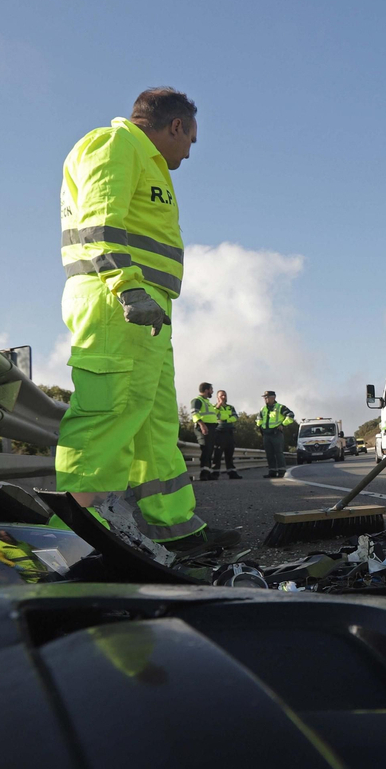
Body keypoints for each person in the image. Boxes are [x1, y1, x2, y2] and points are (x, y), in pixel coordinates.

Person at [53, 87, 236, 551]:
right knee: (107, 416)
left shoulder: (148, 163)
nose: (190, 152)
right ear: (175, 126)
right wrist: (127, 286)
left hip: (147, 307)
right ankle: (67, 542)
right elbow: (100, 222)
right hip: (116, 301)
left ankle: (175, 529)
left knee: (153, 423)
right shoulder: (114, 145)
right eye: (191, 139)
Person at [258, 390, 295, 478]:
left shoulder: (280, 407)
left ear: (273, 397)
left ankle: (281, 471)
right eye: (264, 398)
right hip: (266, 434)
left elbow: (291, 415)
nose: (265, 399)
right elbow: (258, 419)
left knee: (278, 452)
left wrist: (283, 424)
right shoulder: (263, 409)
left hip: (276, 433)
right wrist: (260, 427)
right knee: (269, 453)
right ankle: (272, 471)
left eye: (267, 397)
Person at [191, 381, 220, 480]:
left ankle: (208, 472)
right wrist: (202, 425)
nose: (212, 392)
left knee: (210, 449)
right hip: (203, 427)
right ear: (207, 390)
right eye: (211, 390)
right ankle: (204, 473)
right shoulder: (197, 400)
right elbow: (194, 414)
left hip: (211, 427)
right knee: (206, 449)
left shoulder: (207, 402)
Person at [213, 389, 240, 479]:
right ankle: (215, 473)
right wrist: (219, 406)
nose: (224, 397)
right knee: (218, 453)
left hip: (229, 432)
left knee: (229, 453)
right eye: (221, 396)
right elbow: (214, 416)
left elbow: (235, 417)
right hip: (219, 432)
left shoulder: (230, 407)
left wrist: (225, 419)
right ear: (217, 397)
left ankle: (232, 473)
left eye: (225, 395)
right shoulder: (214, 407)